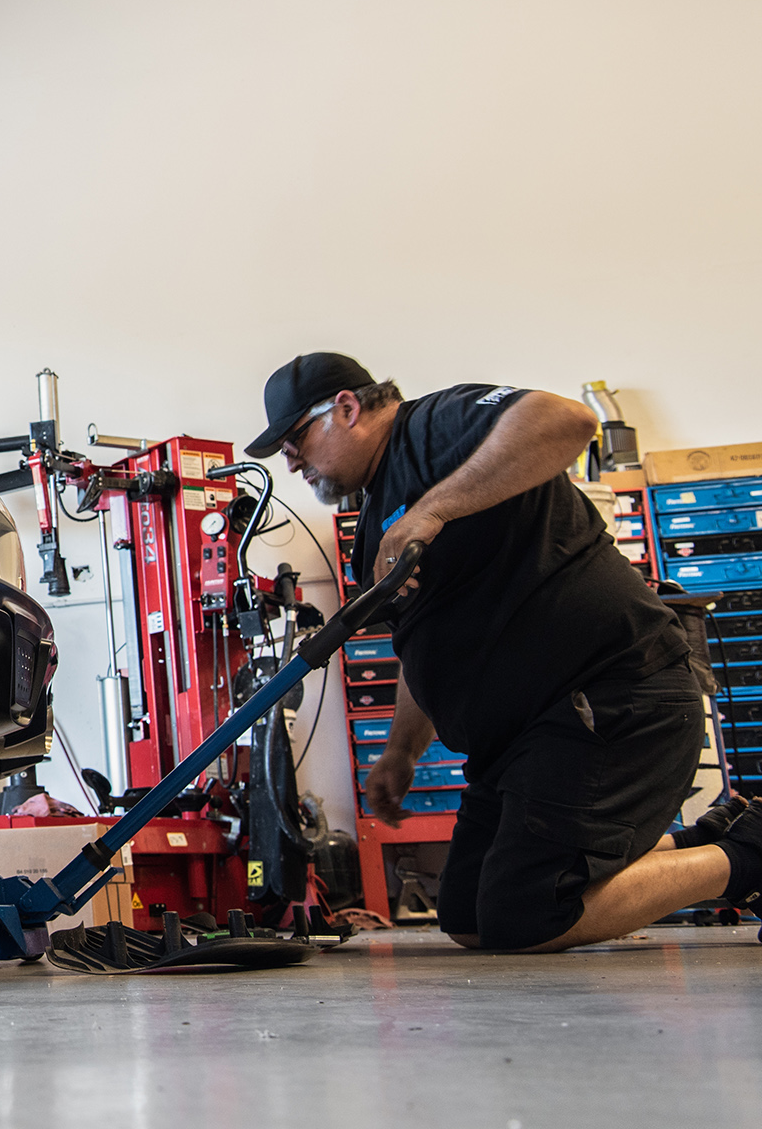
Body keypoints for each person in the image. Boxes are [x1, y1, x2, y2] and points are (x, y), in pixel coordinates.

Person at [244, 352, 762, 952]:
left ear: (347, 407)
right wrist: (400, 751)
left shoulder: (431, 427)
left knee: (526, 914)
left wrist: (432, 510)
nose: (290, 460)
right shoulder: (372, 532)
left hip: (605, 700)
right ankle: (714, 838)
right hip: (518, 742)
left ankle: (749, 854)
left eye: (294, 438)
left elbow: (567, 420)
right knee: (467, 917)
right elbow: (422, 645)